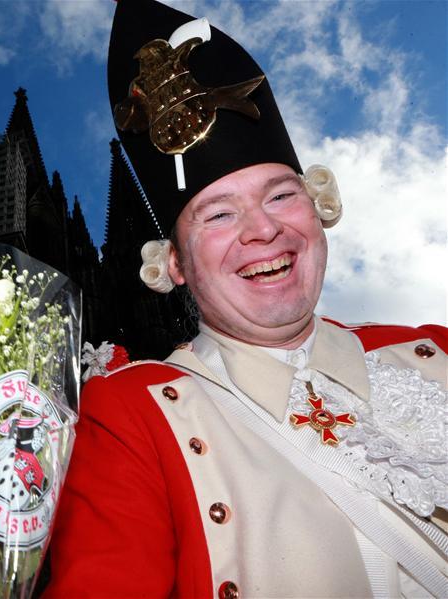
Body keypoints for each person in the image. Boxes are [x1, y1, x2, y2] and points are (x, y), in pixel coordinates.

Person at [45, 1, 447, 597]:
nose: (263, 231)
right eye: (219, 213)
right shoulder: (130, 418)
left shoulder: (431, 351)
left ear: (317, 207)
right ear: (174, 265)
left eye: (281, 196)